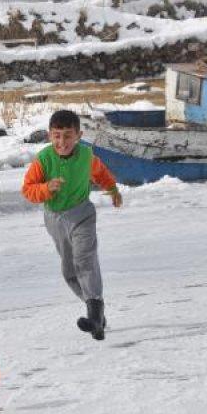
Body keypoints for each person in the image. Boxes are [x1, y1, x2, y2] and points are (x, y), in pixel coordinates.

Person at [21, 109, 123, 340]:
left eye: (68, 135)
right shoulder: (44, 160)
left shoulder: (86, 156)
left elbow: (101, 173)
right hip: (55, 219)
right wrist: (46, 189)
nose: (62, 141)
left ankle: (94, 312)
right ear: (49, 136)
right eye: (57, 135)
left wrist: (113, 189)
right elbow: (27, 190)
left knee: (85, 259)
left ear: (79, 135)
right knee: (69, 271)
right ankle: (96, 313)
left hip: (83, 214)